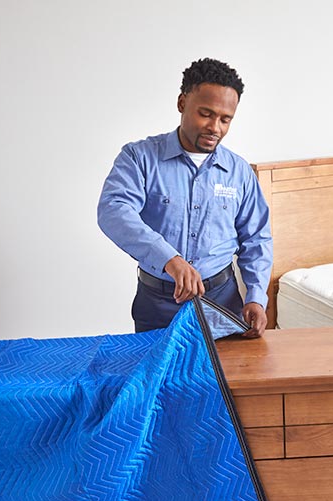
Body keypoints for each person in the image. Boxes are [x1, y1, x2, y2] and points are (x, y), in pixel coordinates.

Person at [97, 58, 272, 337]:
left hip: (222, 302)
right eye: (206, 113)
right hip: (157, 304)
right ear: (182, 103)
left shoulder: (239, 172)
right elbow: (113, 211)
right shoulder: (139, 157)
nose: (215, 127)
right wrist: (169, 258)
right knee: (157, 380)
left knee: (222, 380)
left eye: (225, 119)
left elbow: (257, 239)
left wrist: (255, 296)